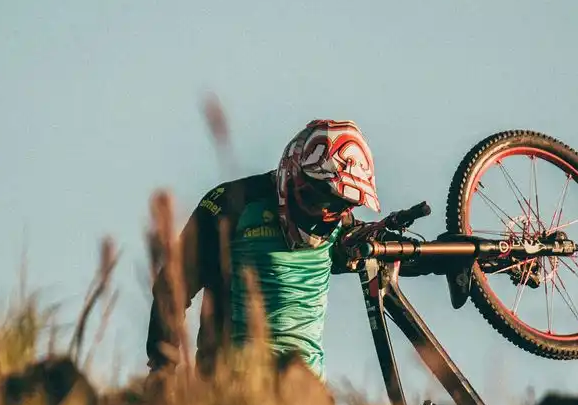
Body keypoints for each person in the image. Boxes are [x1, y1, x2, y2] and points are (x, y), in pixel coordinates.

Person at [145, 118, 415, 380]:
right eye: (317, 197)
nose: (324, 212)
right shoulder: (231, 204)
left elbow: (376, 253)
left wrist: (436, 256)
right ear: (293, 173)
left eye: (337, 205)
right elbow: (173, 285)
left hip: (305, 394)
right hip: (228, 388)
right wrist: (163, 371)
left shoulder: (341, 228)